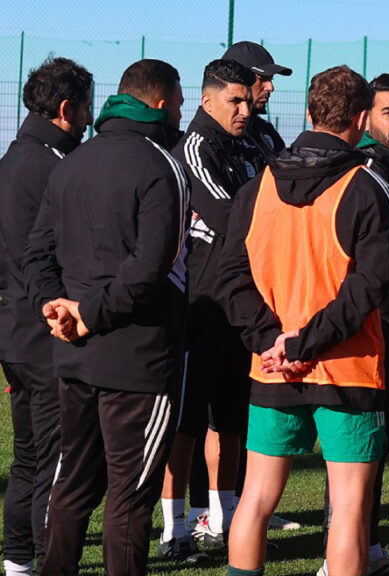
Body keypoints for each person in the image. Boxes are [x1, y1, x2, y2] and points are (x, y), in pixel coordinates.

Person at [218, 64, 389, 576]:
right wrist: (300, 342)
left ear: (311, 112)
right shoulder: (365, 187)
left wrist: (271, 340)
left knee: (254, 500)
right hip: (347, 368)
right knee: (349, 508)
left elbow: (229, 277)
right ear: (361, 118)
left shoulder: (258, 186)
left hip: (272, 367)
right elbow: (369, 286)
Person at [23, 58, 188, 576]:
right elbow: (151, 266)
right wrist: (83, 314)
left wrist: (56, 308)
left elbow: (37, 254)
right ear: (161, 104)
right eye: (180, 104)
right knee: (130, 498)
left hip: (73, 353)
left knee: (73, 486)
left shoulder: (72, 161)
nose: (181, 114)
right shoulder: (162, 165)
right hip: (137, 362)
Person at [318, 72, 389, 576]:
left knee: (380, 435)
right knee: (351, 446)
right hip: (359, 326)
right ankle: (333, 555)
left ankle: (370, 545)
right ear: (364, 117)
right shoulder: (357, 171)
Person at [158, 58, 262, 561]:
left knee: (231, 421)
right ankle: (173, 529)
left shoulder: (247, 147)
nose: (245, 109)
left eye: (247, 99)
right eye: (234, 101)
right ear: (206, 101)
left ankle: (223, 521)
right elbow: (231, 218)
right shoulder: (196, 146)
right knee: (185, 423)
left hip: (241, 308)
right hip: (199, 307)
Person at [0, 56, 92, 576]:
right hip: (46, 335)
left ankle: (17, 562)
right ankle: (47, 560)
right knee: (56, 463)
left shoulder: (10, 160)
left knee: (29, 458)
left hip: (14, 330)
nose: (87, 122)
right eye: (83, 111)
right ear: (64, 109)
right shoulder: (56, 167)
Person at [223, 40, 293, 161]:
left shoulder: (265, 130)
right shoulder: (217, 135)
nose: (270, 87)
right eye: (262, 79)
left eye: (271, 79)